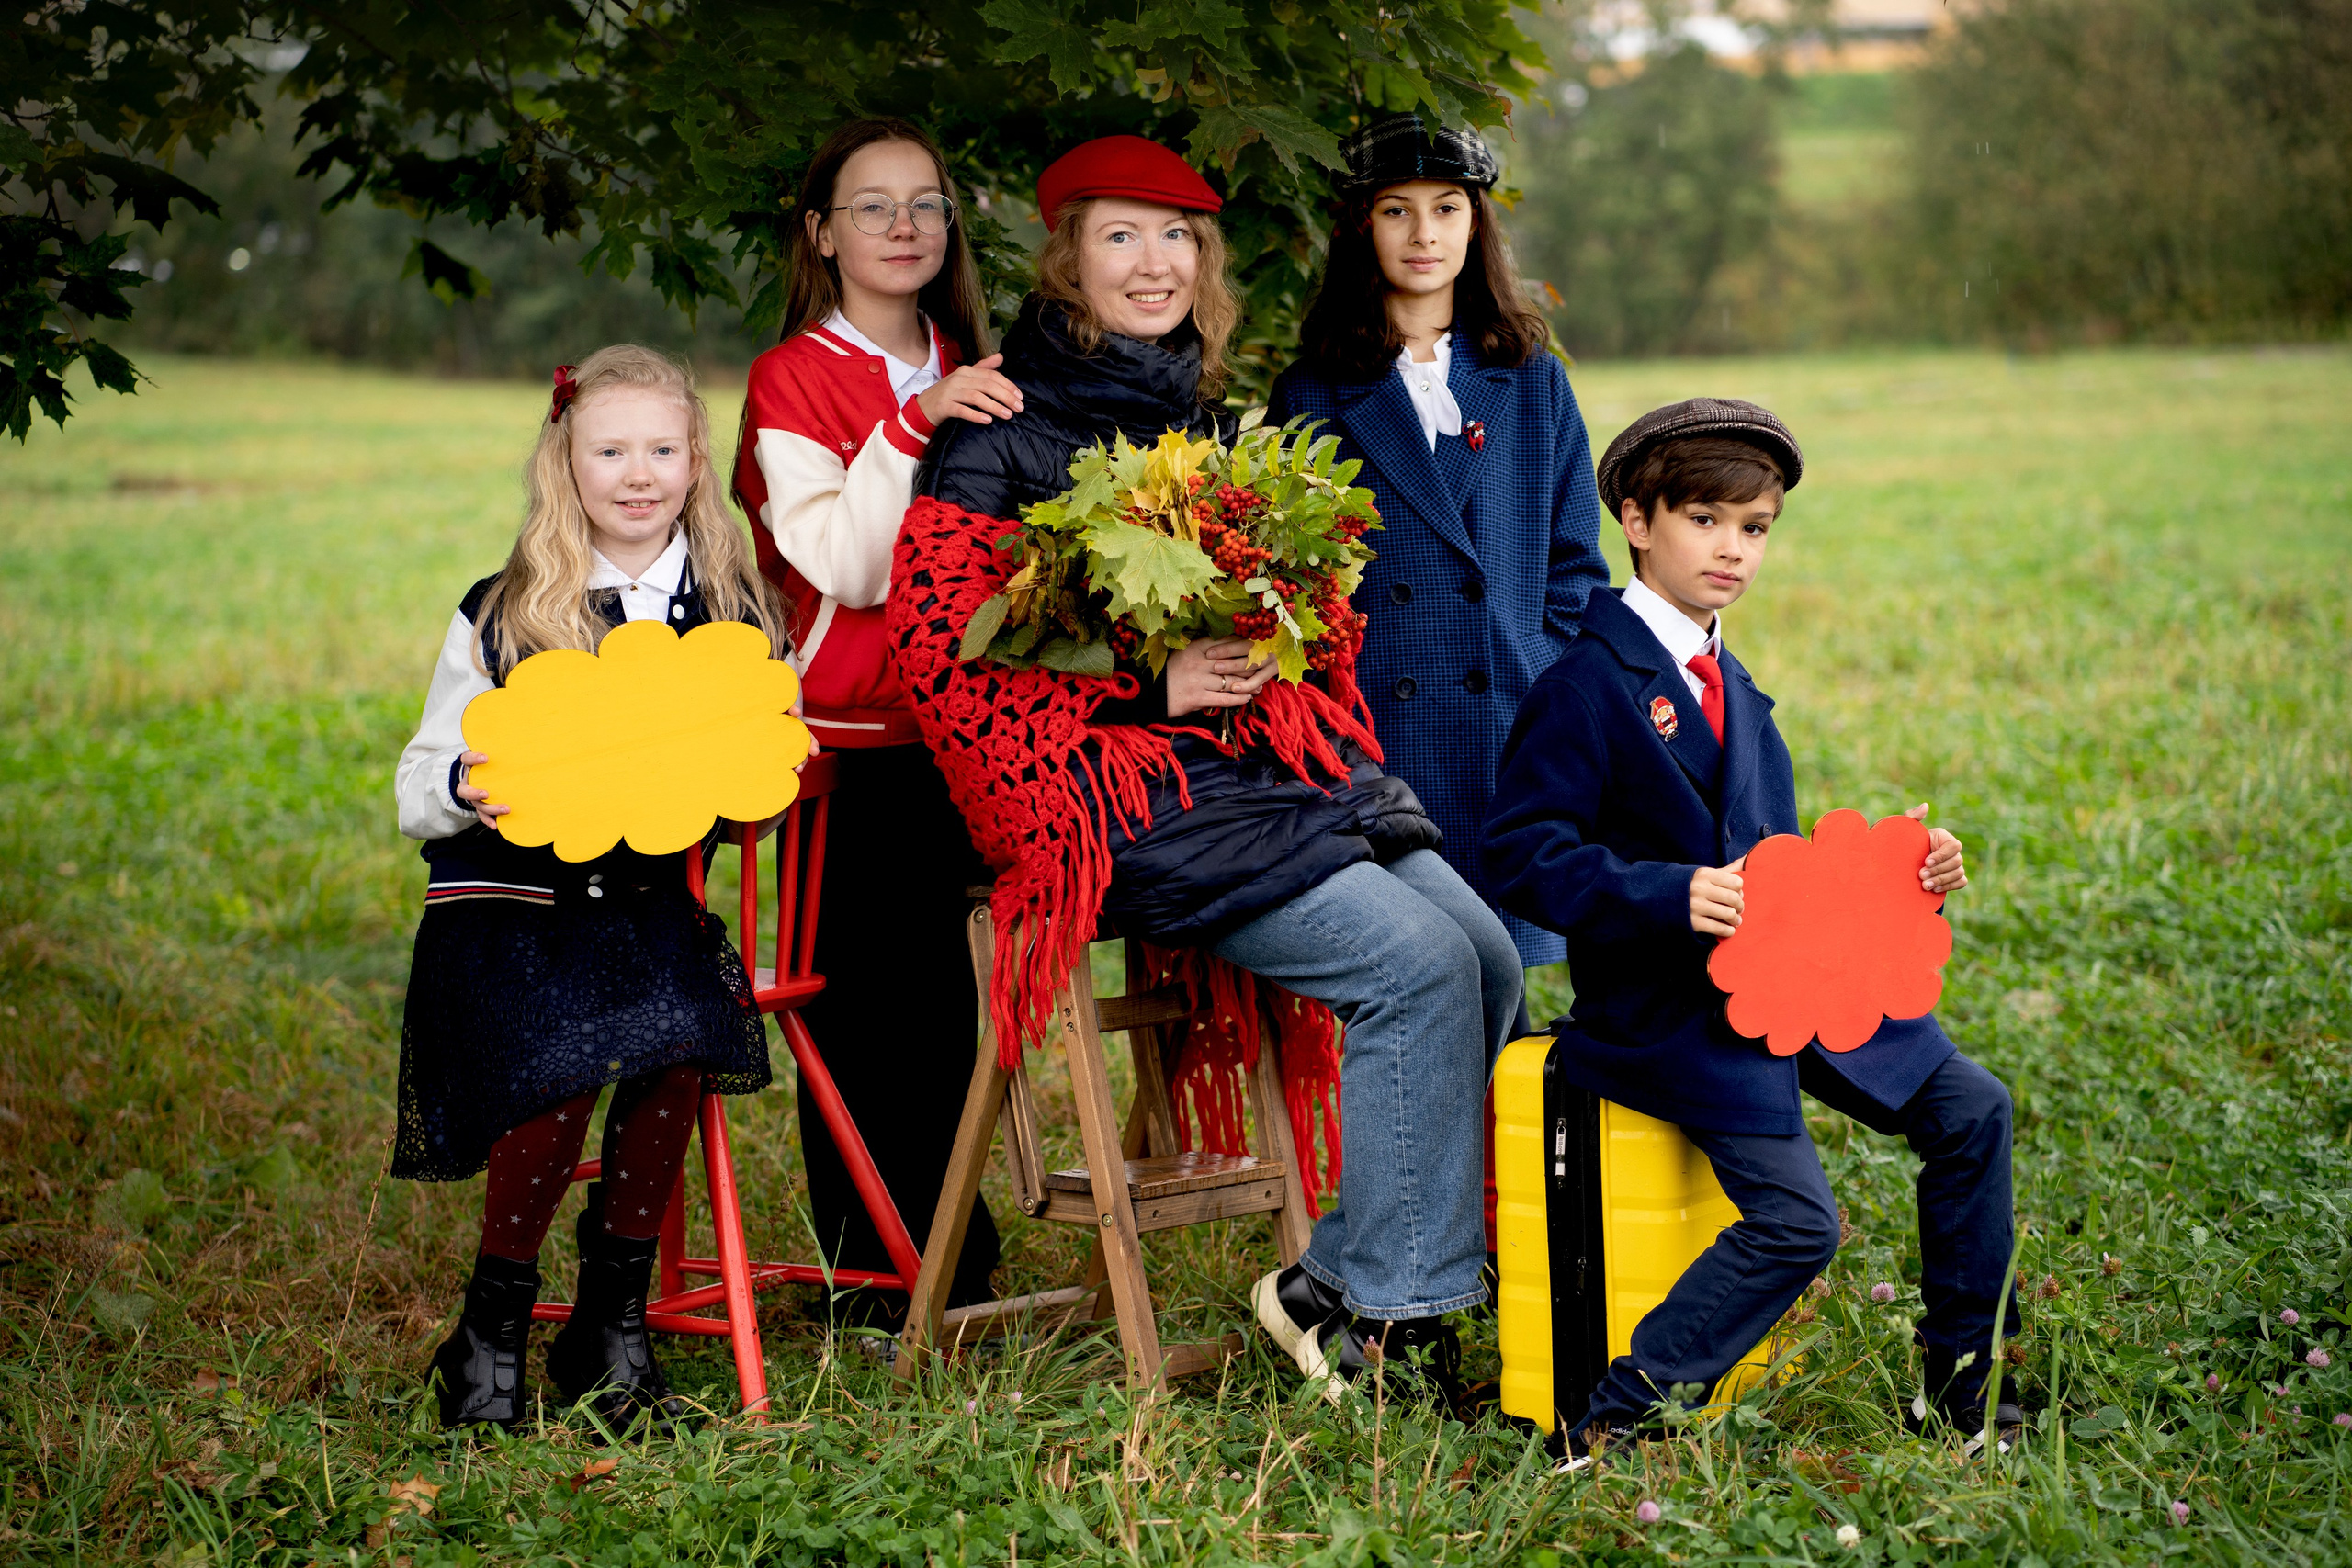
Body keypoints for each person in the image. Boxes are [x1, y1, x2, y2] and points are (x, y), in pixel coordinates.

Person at [896, 134, 1522, 1407]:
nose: (1154, 263)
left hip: (1252, 769)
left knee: (1489, 956)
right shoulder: (998, 425)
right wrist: (1148, 686)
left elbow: (1267, 613)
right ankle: (1391, 1320)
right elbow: (942, 653)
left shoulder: (1208, 422)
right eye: (1121, 235)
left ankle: (1333, 1279)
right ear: (1066, 258)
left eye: (1177, 236)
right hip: (1107, 790)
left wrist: (1288, 619)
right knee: (1413, 968)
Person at [1483, 399, 2022, 1462]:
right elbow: (1519, 855)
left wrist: (1905, 877)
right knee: (1798, 1224)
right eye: (1705, 520)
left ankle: (1966, 1391)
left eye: (1755, 527)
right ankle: (1612, 1420)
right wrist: (1667, 893)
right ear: (1636, 521)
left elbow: (1776, 868)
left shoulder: (1735, 689)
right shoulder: (1583, 687)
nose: (1732, 549)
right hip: (1671, 1016)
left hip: (1789, 982)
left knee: (1974, 1110)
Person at [394, 344, 789, 1433]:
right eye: (610, 451)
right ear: (563, 462)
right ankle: (490, 1332)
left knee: (678, 1042)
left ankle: (609, 1332)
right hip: (509, 908)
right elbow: (416, 785)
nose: (637, 474)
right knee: (565, 1053)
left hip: (645, 913)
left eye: (662, 449)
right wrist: (467, 784)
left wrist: (755, 786)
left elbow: (760, 766)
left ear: (696, 461)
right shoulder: (506, 609)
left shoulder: (732, 613)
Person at [731, 118, 1027, 1328]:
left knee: (944, 1008)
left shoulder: (980, 359)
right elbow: (847, 566)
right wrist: (915, 423)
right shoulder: (792, 378)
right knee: (857, 1011)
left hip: (970, 729)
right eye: (872, 206)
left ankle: (951, 1249)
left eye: (925, 204)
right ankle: (870, 1274)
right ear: (821, 233)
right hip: (844, 744)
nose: (904, 227)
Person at [1271, 112, 1608, 980]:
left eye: (1447, 208)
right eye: (1397, 210)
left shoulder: (1532, 379)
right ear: (1361, 226)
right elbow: (1290, 582)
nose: (1425, 233)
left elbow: (1575, 564)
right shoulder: (1312, 391)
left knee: (1505, 982)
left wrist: (1534, 668)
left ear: (1475, 222)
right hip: (1380, 732)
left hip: (1504, 723)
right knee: (1412, 978)